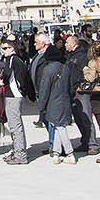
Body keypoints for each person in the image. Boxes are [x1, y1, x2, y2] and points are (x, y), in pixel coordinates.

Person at [34, 34, 80, 164]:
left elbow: (44, 90)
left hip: (53, 102)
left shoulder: (48, 70)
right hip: (64, 100)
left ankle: (70, 153)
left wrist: (41, 106)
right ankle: (56, 153)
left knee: (60, 128)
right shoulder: (65, 68)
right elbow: (70, 86)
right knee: (58, 126)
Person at [0, 37, 33, 164]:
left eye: (6, 48)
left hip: (14, 95)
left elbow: (7, 74)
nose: (3, 51)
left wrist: (2, 79)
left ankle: (20, 154)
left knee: (15, 125)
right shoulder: (13, 59)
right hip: (14, 94)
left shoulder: (12, 59)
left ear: (13, 49)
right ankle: (17, 150)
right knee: (14, 125)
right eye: (2, 48)